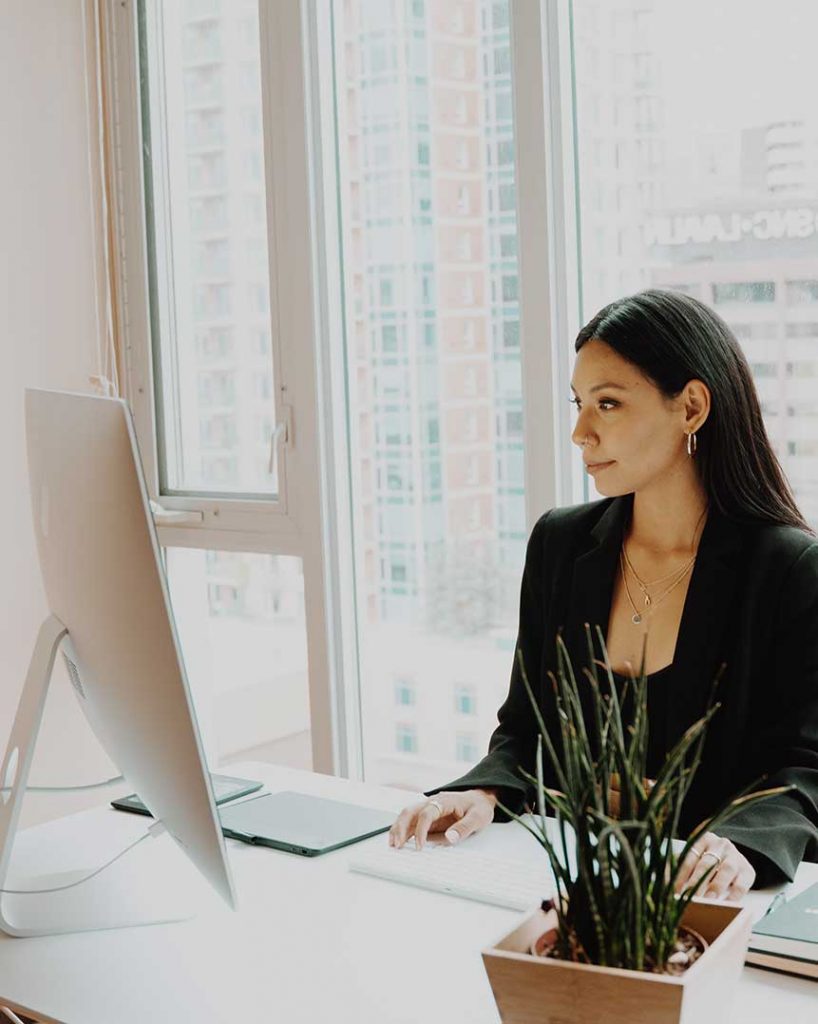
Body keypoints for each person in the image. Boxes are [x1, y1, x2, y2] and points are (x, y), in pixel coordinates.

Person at [389, 288, 818, 900]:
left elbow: (806, 766)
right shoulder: (560, 545)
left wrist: (740, 842)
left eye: (608, 404)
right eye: (579, 403)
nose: (580, 432)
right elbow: (524, 727)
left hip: (706, 900)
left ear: (692, 407)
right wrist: (483, 791)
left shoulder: (788, 568)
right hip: (561, 883)